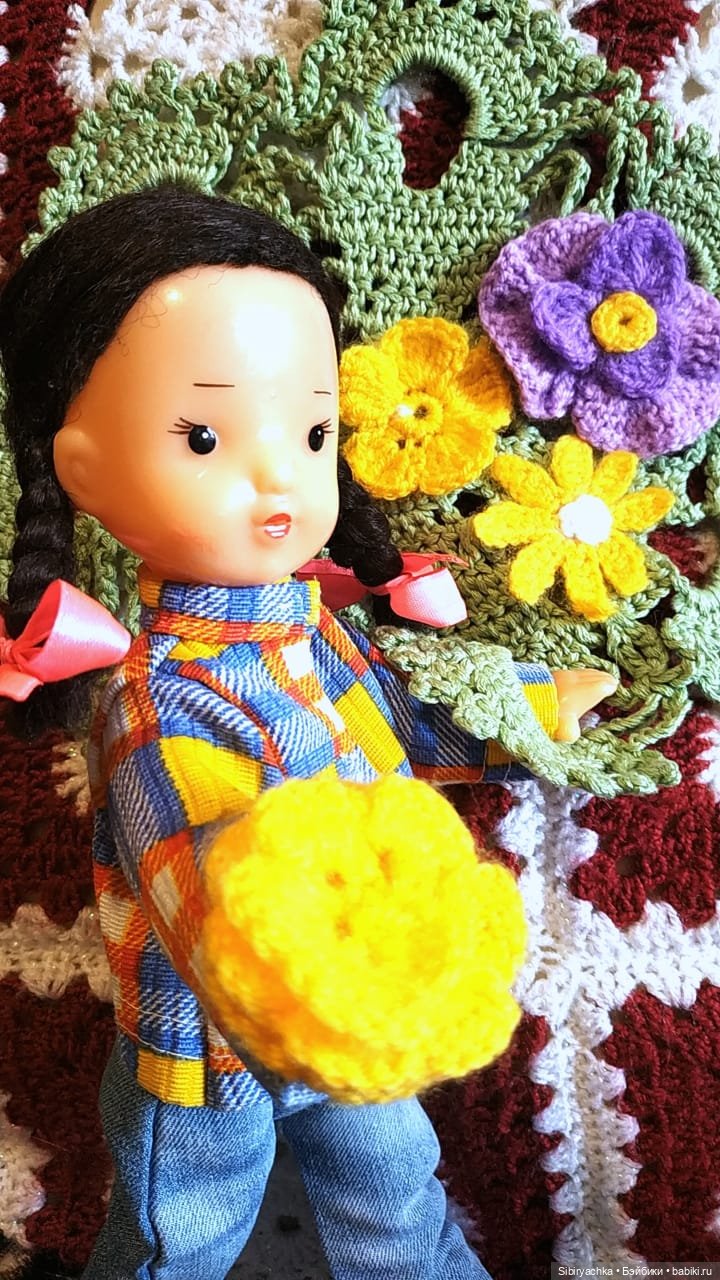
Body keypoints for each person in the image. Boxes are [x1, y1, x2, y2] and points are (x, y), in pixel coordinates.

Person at [0, 186, 614, 1279]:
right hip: (205, 1060)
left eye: (315, 431)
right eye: (204, 437)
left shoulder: (315, 633)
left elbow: (399, 721)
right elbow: (199, 886)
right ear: (82, 467)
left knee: (402, 1205)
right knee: (176, 1240)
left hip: (350, 1028)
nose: (280, 474)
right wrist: (328, 963)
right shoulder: (155, 701)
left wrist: (520, 709)